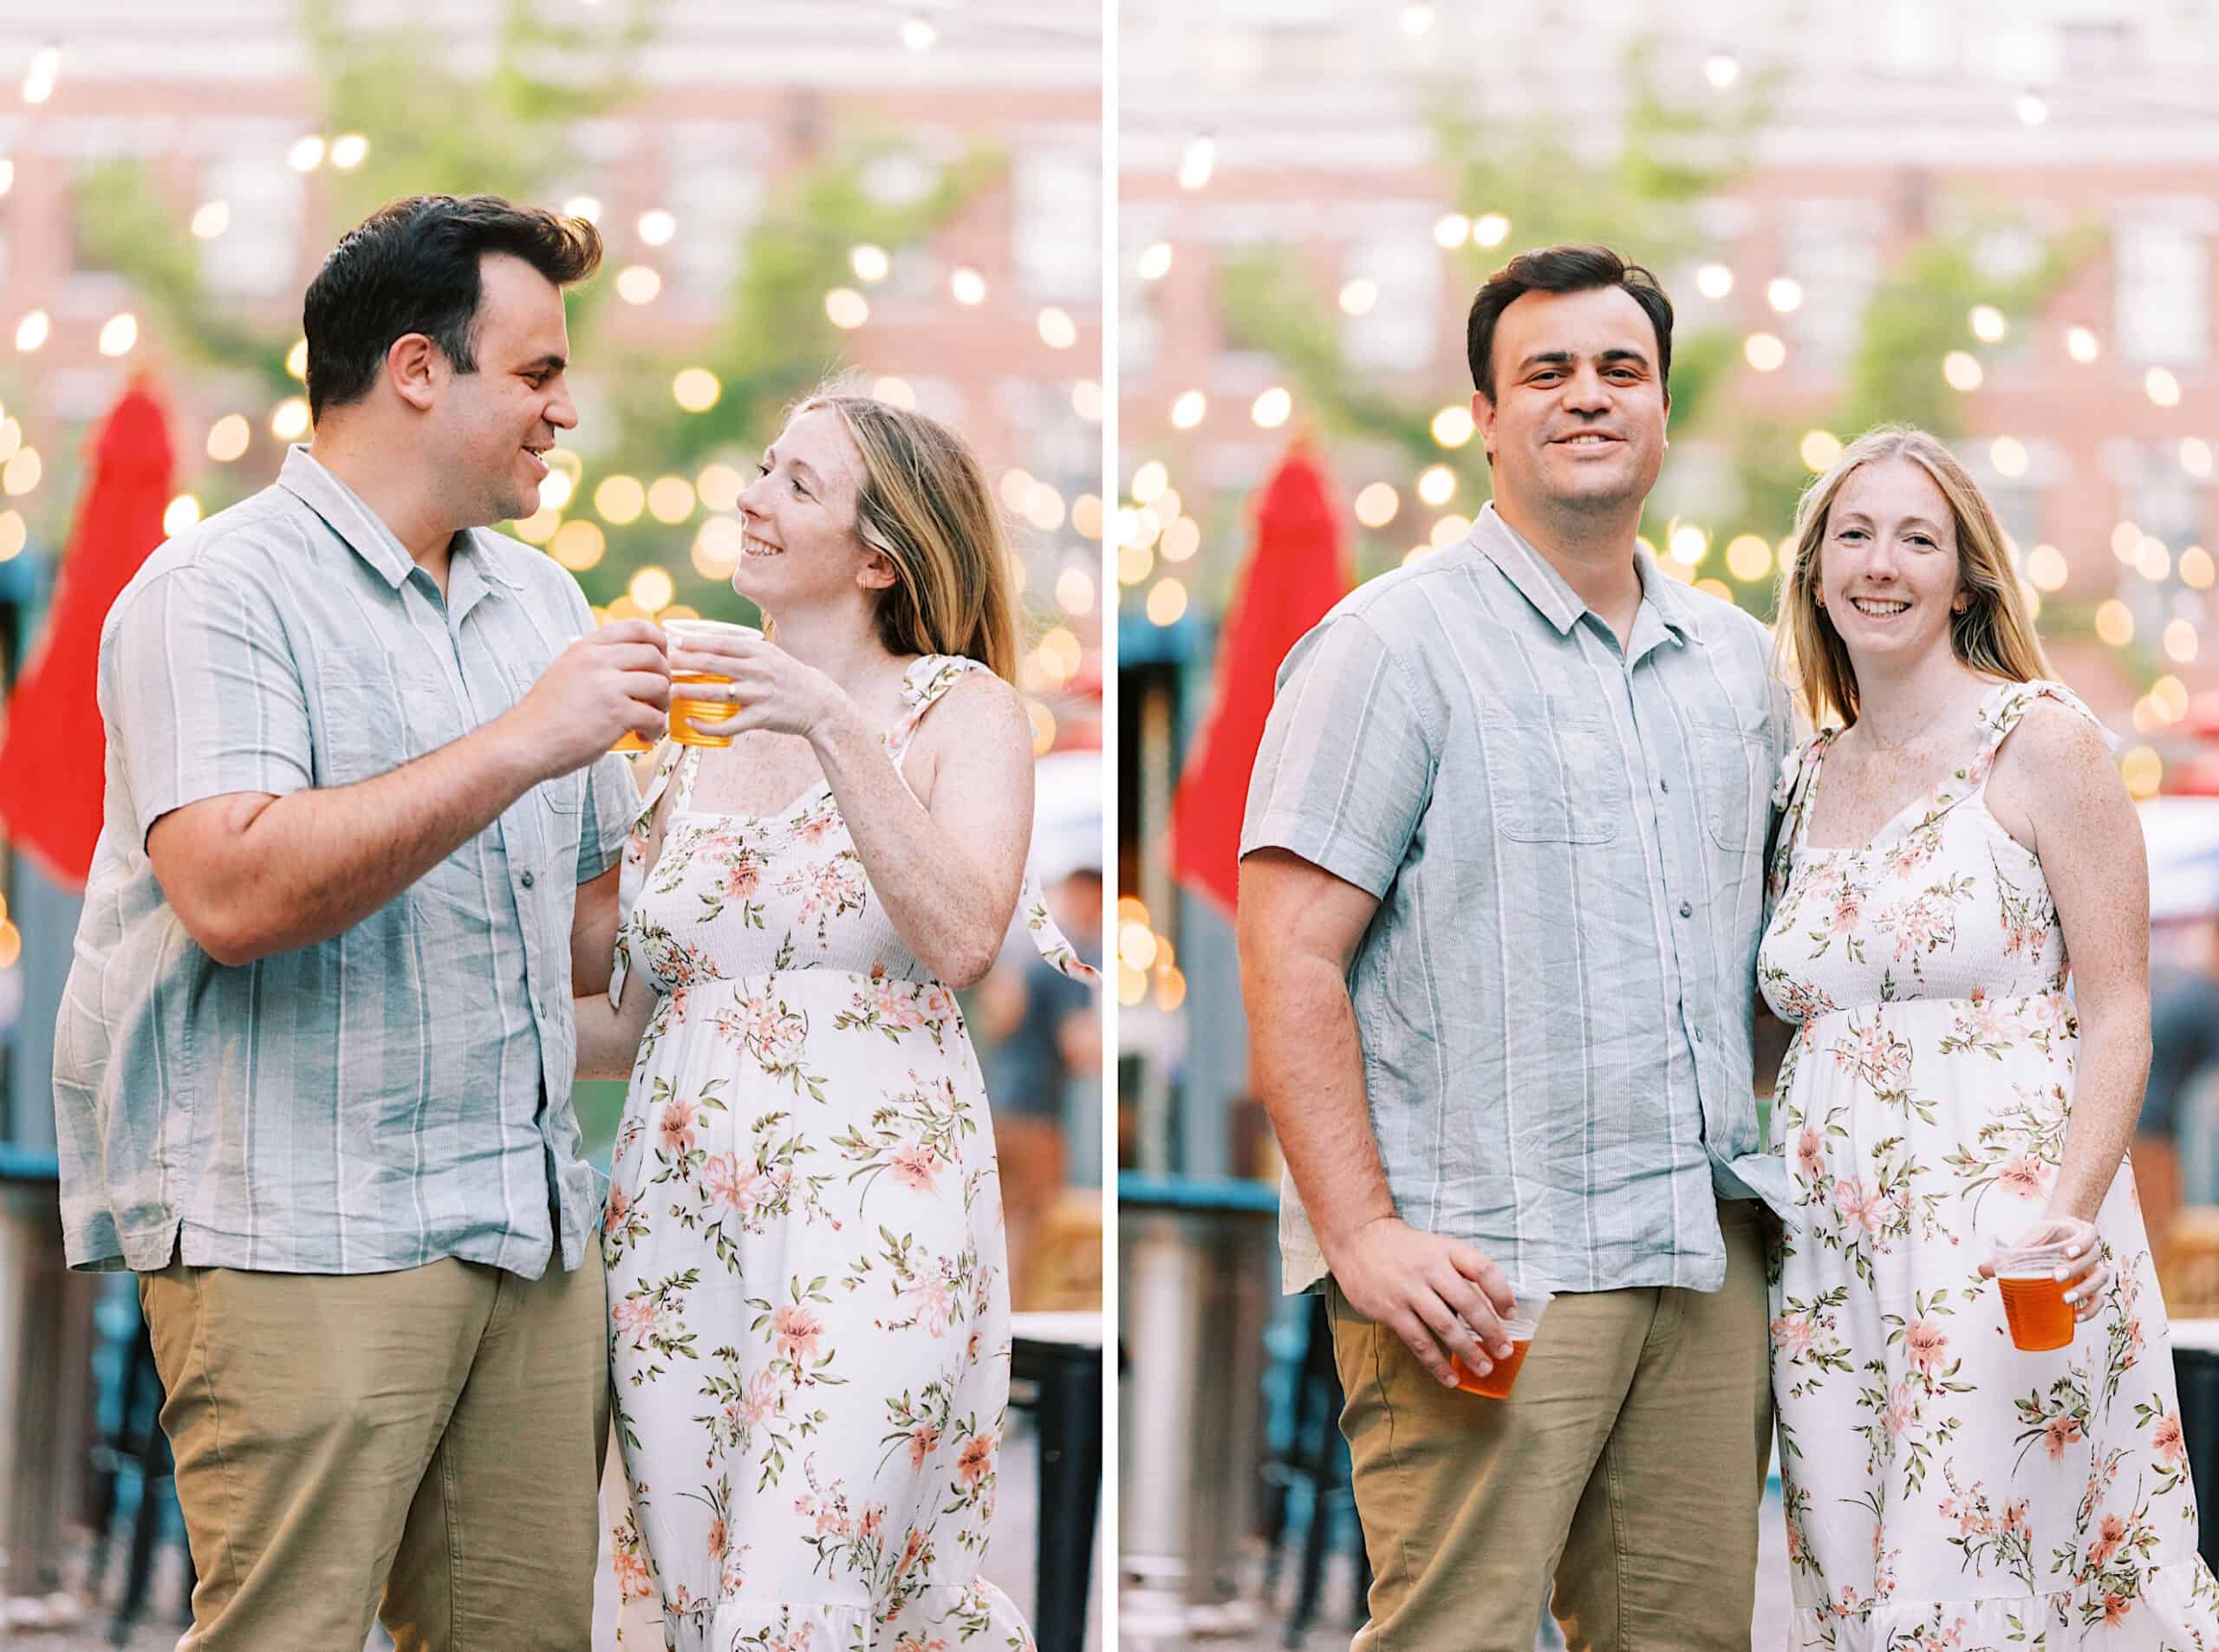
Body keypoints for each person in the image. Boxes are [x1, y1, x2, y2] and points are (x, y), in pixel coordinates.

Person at [51, 196, 667, 1650]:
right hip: (295, 1229)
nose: (565, 412)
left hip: (530, 1234)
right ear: (413, 368)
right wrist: (526, 739)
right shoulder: (214, 592)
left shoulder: (542, 601)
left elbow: (591, 943)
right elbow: (234, 893)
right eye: (535, 375)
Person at [1237, 244, 1794, 1651]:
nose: (1587, 397)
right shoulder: (1391, 648)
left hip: (1701, 1259)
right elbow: (1290, 951)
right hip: (1487, 1272)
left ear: (1665, 412)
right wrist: (1362, 1234)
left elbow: (1777, 965)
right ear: (1484, 416)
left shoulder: (1739, 666)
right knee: (1458, 1636)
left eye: (1622, 370)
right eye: (1545, 372)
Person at [576, 390, 1095, 1650]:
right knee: (689, 1595)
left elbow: (965, 935)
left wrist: (822, 714)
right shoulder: (683, 747)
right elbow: (621, 1015)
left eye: (796, 485)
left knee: (802, 1588)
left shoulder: (954, 708)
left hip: (873, 1212)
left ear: (878, 555)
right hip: (678, 1219)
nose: (751, 496)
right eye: (763, 469)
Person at [1761, 424, 2219, 1645]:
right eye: (1854, 534)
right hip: (1830, 1254)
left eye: (1919, 537)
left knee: (1986, 1582)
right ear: (1815, 570)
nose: (1882, 562)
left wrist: (2067, 1210)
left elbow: (2119, 1002)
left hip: (2006, 1238)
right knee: (1855, 1585)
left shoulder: (2044, 737)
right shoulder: (1802, 777)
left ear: (1965, 576)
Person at [980, 862, 1103, 1306]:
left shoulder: (1024, 953)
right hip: (1037, 1119)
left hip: (999, 1107)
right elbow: (1077, 1046)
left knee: (1001, 1223)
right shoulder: (1067, 958)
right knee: (1032, 1229)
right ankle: (1018, 1325)